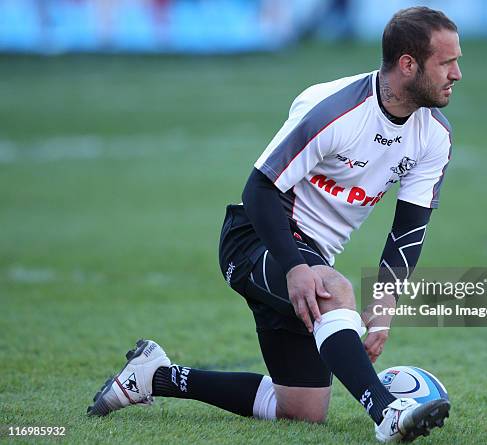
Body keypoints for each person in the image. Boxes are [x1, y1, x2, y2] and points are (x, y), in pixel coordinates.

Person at [87, 6, 462, 443]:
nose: (456, 73)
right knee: (335, 289)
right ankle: (387, 413)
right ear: (408, 64)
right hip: (256, 238)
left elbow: (408, 229)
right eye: (447, 62)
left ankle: (155, 377)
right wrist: (294, 267)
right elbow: (259, 190)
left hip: (310, 256)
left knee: (302, 409)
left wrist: (383, 304)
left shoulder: (434, 135)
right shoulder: (333, 109)